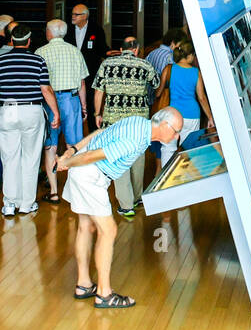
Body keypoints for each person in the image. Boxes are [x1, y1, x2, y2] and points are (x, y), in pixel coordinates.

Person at [57, 107, 185, 309]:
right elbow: (92, 156)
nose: (177, 136)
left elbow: (100, 133)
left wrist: (72, 152)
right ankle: (104, 294)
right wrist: (68, 162)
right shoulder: (135, 140)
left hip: (83, 170)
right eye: (176, 130)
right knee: (109, 230)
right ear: (164, 125)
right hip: (90, 174)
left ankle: (83, 284)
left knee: (86, 226)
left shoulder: (138, 122)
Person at [0, 23, 59, 216]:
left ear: (11, 41)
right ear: (28, 41)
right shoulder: (38, 61)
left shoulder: (0, 61)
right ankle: (27, 204)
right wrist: (55, 112)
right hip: (32, 109)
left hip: (7, 110)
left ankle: (10, 203)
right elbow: (46, 89)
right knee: (30, 158)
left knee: (9, 158)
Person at [91, 35, 159, 216]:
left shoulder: (107, 64)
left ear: (121, 50)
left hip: (114, 121)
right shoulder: (145, 65)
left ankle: (126, 205)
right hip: (139, 122)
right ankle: (137, 198)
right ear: (136, 50)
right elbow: (156, 84)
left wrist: (97, 113)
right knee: (137, 159)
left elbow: (98, 91)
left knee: (119, 159)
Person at [35, 18, 89, 203]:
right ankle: (75, 191)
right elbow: (82, 83)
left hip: (49, 102)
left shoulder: (40, 52)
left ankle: (54, 191)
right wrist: (83, 107)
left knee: (50, 147)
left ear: (49, 33)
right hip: (71, 100)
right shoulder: (75, 51)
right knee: (73, 147)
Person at [153, 40, 213, 169]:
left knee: (168, 148)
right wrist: (210, 117)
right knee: (190, 148)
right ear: (190, 55)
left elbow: (159, 92)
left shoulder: (169, 69)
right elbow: (201, 98)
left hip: (172, 116)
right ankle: (187, 177)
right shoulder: (196, 72)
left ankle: (167, 178)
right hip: (191, 115)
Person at [69, 4, 108, 90]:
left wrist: (109, 53)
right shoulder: (68, 30)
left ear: (85, 16)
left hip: (90, 72)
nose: (73, 17)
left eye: (76, 14)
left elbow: (102, 48)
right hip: (72, 71)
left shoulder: (96, 29)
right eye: (72, 14)